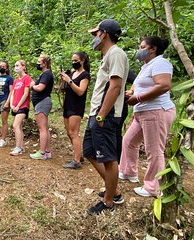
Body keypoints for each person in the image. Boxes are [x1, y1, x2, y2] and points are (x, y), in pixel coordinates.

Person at [119, 36, 176, 197]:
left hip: (155, 111)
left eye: (142, 46)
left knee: (154, 150)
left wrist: (138, 98)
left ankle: (153, 187)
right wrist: (131, 93)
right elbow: (138, 87)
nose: (139, 49)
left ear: (153, 49)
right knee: (129, 141)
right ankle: (128, 171)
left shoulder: (160, 63)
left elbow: (164, 85)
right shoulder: (147, 66)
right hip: (142, 112)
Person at [84, 19, 129, 214]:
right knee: (89, 151)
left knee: (109, 159)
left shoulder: (116, 54)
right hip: (96, 114)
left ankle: (109, 201)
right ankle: (114, 190)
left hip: (106, 115)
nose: (94, 38)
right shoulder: (108, 56)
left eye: (96, 34)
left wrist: (102, 115)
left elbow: (116, 86)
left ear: (104, 34)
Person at [60, 51, 90, 169]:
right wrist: (63, 79)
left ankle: (77, 161)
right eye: (72, 60)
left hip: (76, 107)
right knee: (68, 132)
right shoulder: (72, 73)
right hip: (68, 105)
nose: (73, 63)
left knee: (74, 133)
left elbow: (80, 91)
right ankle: (79, 155)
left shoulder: (85, 75)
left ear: (82, 61)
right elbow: (64, 89)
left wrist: (69, 81)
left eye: (76, 60)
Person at [29, 54, 54, 160]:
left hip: (42, 102)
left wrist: (32, 86)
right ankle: (47, 151)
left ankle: (42, 153)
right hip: (42, 102)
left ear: (44, 63)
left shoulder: (47, 74)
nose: (37, 64)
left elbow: (40, 88)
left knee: (42, 128)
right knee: (45, 128)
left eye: (39, 62)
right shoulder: (45, 74)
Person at [10, 60, 32, 156]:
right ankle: (21, 145)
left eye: (18, 65)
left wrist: (18, 105)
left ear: (23, 67)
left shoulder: (27, 78)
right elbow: (13, 93)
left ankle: (18, 147)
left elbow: (26, 93)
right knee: (18, 127)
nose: (16, 67)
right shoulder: (16, 80)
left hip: (23, 106)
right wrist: (11, 104)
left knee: (16, 125)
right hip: (14, 106)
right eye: (15, 66)